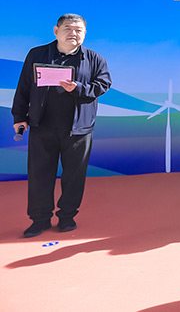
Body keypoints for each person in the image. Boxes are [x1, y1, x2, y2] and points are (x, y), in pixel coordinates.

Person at [12, 14, 112, 238]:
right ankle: (39, 219)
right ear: (56, 31)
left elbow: (103, 84)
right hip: (42, 125)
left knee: (74, 176)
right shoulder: (37, 54)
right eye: (68, 29)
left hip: (78, 129)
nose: (73, 34)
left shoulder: (95, 59)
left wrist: (78, 88)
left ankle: (67, 217)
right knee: (39, 175)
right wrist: (19, 116)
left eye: (78, 30)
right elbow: (24, 86)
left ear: (85, 34)